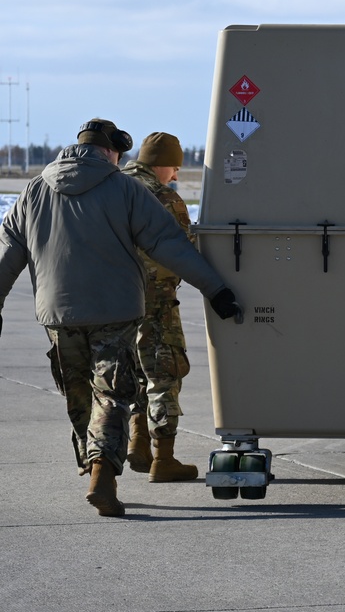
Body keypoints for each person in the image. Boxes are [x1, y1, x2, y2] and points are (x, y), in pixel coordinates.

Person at [0, 119, 241, 517]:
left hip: (58, 315)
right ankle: (103, 475)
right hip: (115, 313)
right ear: (111, 150)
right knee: (111, 394)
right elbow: (168, 243)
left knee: (79, 397)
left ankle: (95, 464)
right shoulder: (125, 189)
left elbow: (7, 254)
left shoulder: (33, 191)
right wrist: (215, 289)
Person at [121, 132, 201, 481]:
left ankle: (136, 442)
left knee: (130, 373)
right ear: (162, 164)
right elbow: (183, 253)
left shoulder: (115, 188)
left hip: (113, 300)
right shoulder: (164, 198)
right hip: (155, 301)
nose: (177, 175)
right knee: (164, 373)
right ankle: (163, 458)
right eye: (175, 167)